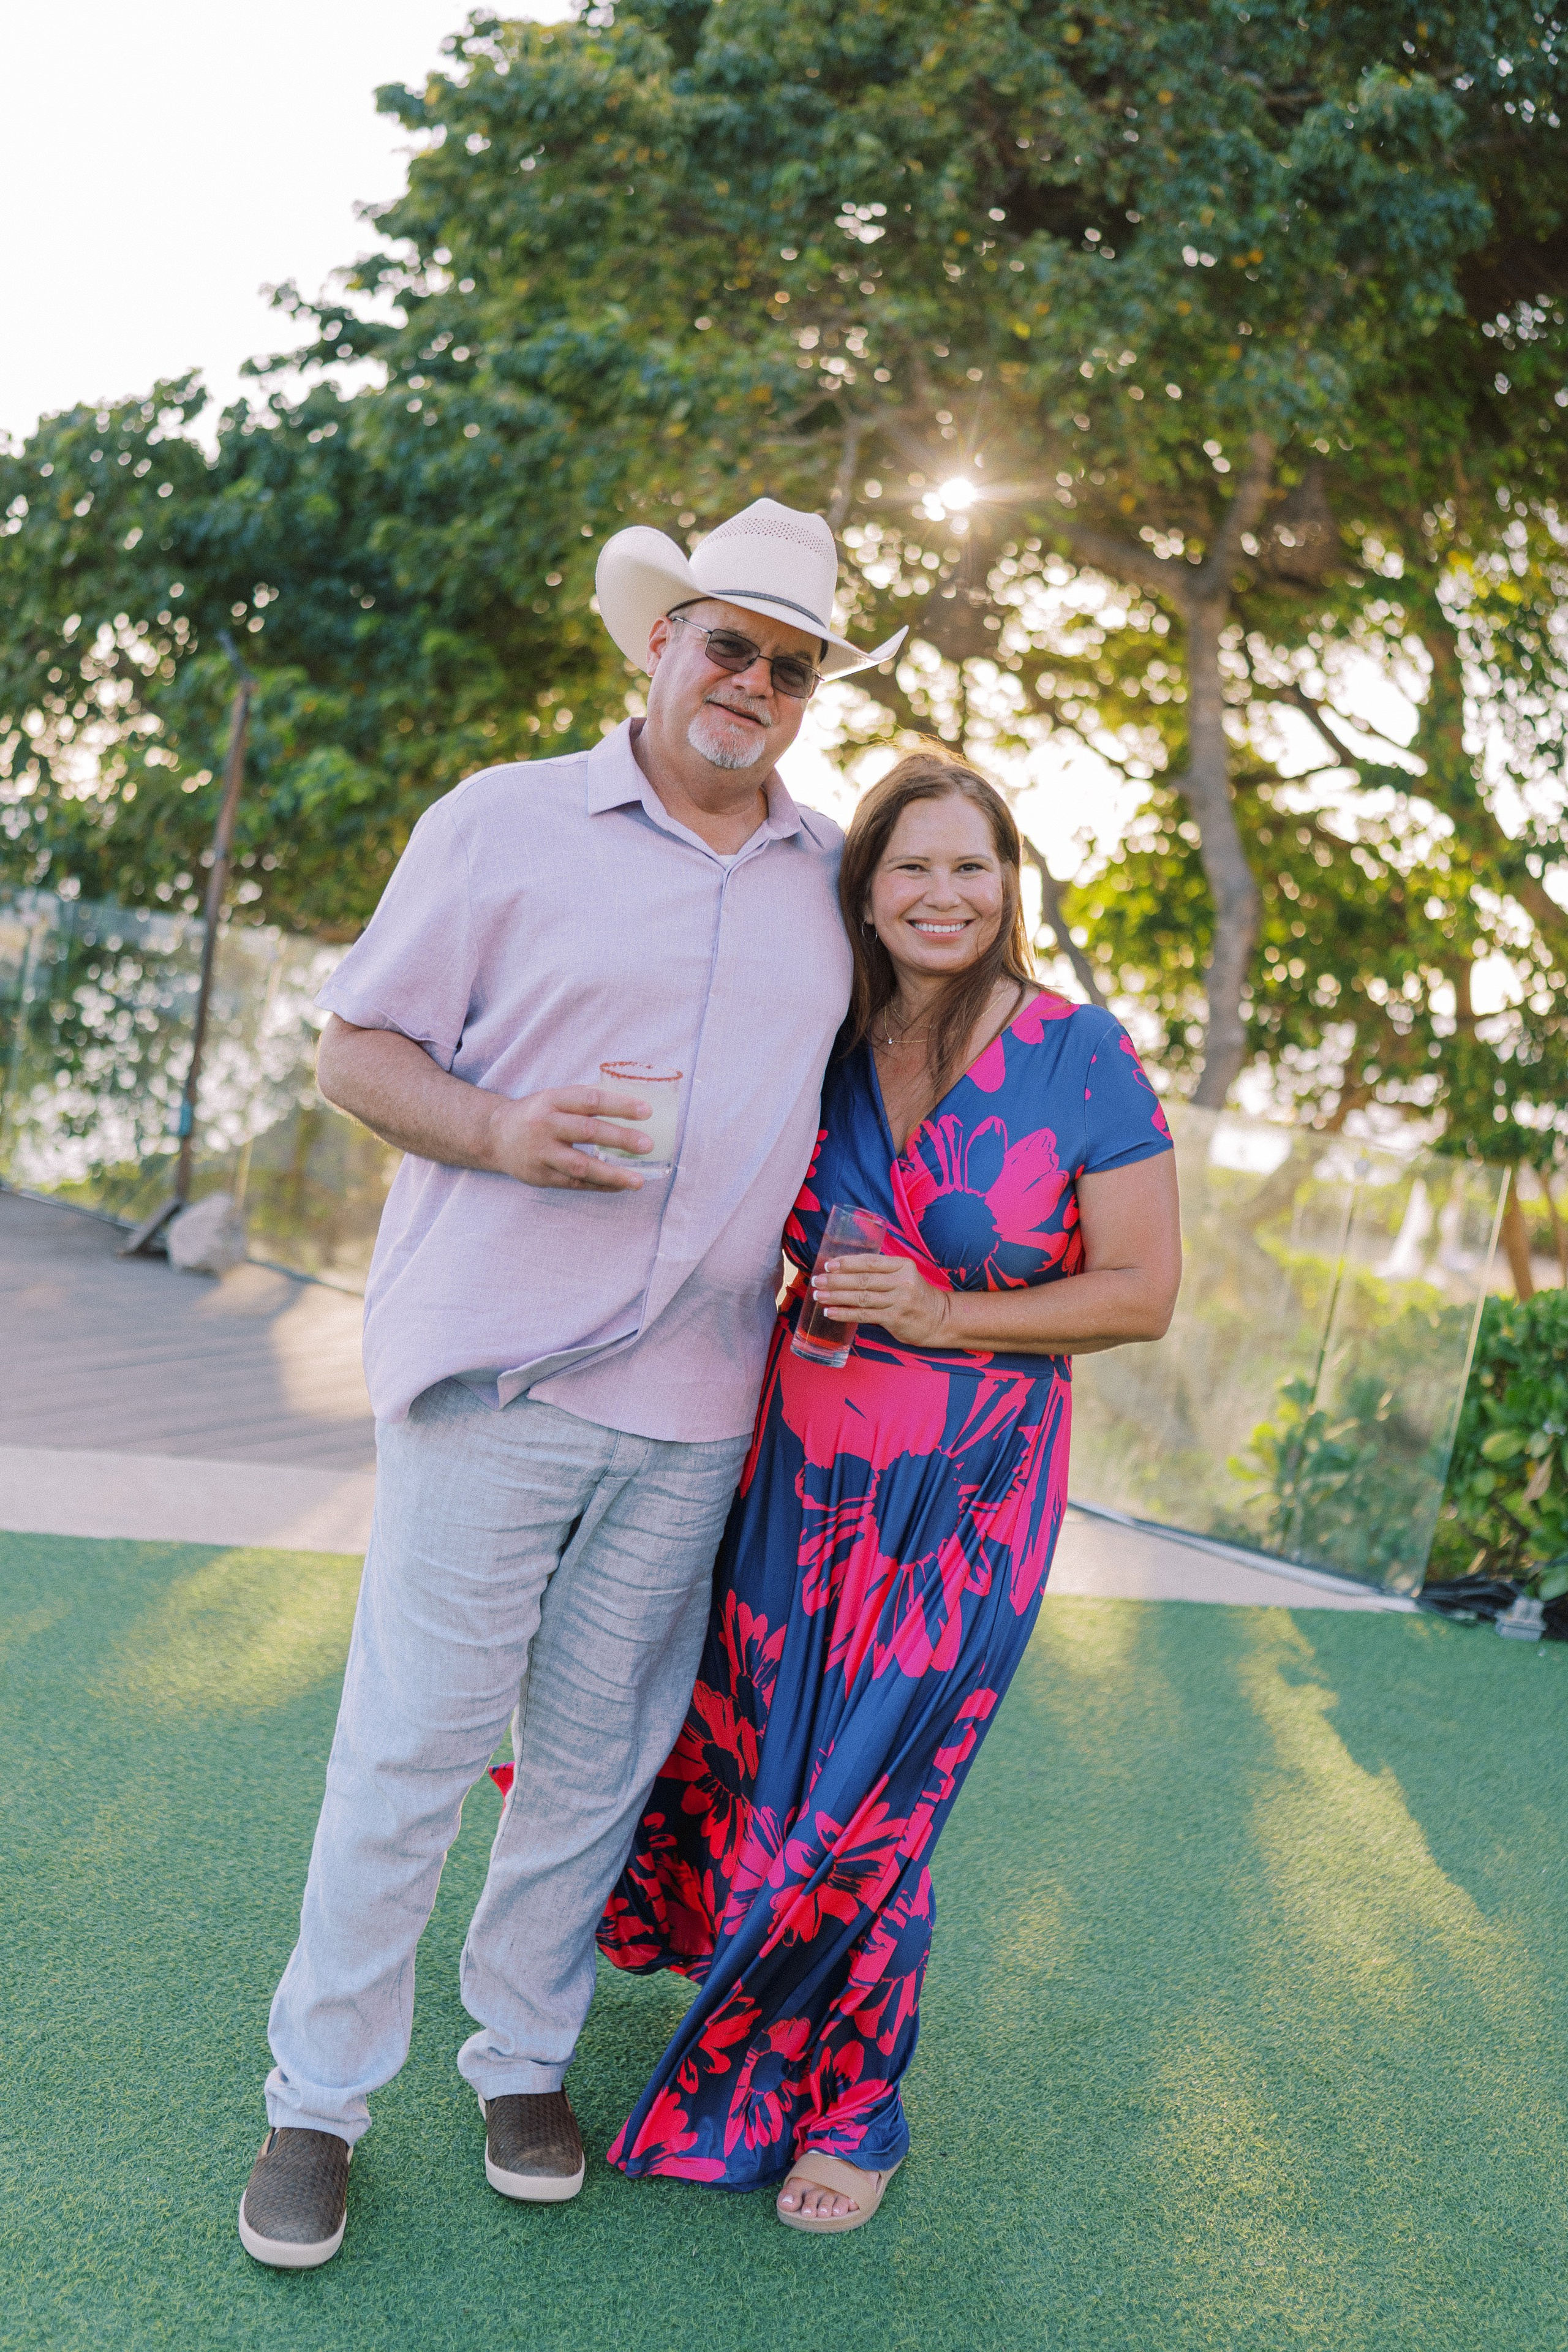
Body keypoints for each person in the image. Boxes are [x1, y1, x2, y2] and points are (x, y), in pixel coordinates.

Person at [236, 499, 905, 2269]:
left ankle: (521, 2057)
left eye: (790, 663)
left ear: (810, 693)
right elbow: (354, 1052)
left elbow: (905, 1082)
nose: (752, 682)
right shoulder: (505, 819)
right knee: (410, 1754)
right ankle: (316, 2105)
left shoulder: (834, 885)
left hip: (697, 1409)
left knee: (593, 1767)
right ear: (659, 646)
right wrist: (505, 1132)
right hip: (495, 1383)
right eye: (727, 645)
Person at [598, 751, 1182, 2232]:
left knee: (876, 1805)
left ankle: (857, 2111)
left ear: (1008, 887)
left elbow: (1141, 1294)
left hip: (971, 1490)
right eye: (909, 867)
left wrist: (941, 1315)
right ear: (863, 892)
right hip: (794, 1481)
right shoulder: (824, 1044)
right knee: (770, 1775)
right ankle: (764, 2026)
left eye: (970, 866)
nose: (942, 894)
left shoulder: (1078, 1051)